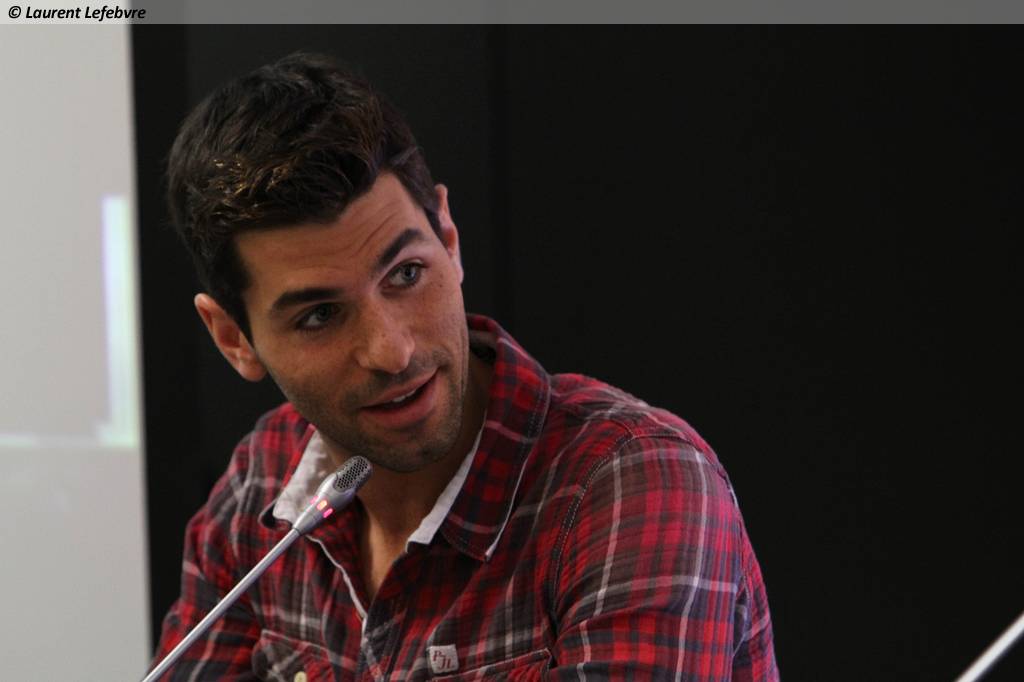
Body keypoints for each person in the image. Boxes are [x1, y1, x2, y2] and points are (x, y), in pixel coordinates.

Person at [152, 52, 779, 680]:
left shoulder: (628, 484)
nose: (392, 351)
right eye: (320, 315)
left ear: (449, 240)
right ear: (233, 338)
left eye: (406, 274)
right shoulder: (261, 484)